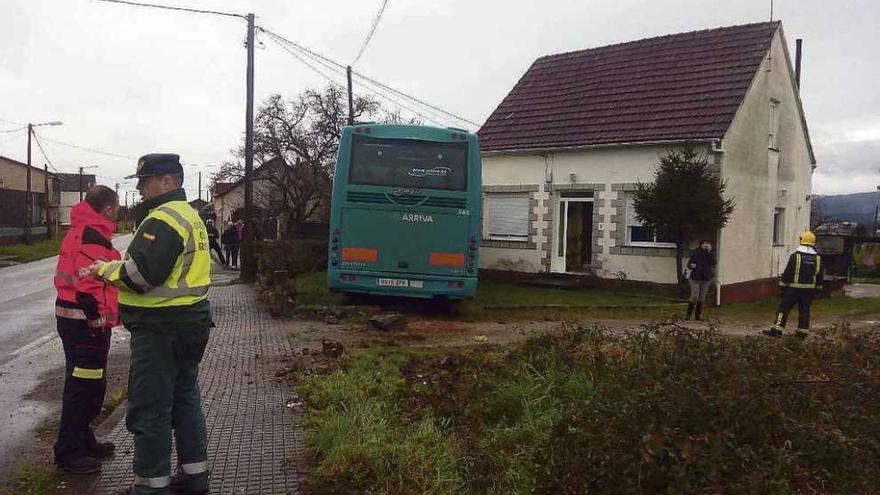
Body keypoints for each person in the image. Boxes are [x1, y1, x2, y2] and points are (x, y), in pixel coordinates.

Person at [87, 154, 211, 495]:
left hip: (161, 330)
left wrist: (102, 269)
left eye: (146, 181)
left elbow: (139, 276)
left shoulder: (163, 218)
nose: (140, 188)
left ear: (169, 181)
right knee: (186, 400)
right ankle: (194, 477)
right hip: (191, 324)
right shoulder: (190, 215)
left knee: (151, 409)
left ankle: (150, 486)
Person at [53, 185, 121, 474]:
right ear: (107, 208)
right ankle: (69, 451)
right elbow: (89, 280)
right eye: (116, 208)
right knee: (86, 386)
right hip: (85, 322)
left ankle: (82, 438)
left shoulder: (81, 228)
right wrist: (96, 318)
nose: (117, 212)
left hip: (73, 319)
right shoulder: (94, 234)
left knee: (84, 382)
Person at [763, 230, 824, 338]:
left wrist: (782, 285)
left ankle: (777, 329)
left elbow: (788, 272)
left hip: (793, 289)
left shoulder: (795, 256)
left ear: (801, 240)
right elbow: (819, 275)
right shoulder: (818, 258)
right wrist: (818, 288)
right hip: (809, 290)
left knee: (783, 309)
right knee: (805, 310)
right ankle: (802, 332)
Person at [685, 240, 716, 321]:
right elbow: (689, 264)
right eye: (704, 244)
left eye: (707, 243)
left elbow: (714, 262)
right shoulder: (696, 253)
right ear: (701, 245)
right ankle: (688, 315)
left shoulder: (710, 254)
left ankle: (698, 316)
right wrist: (691, 266)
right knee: (695, 296)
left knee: (702, 298)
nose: (706, 245)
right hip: (695, 278)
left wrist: (709, 252)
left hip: (706, 278)